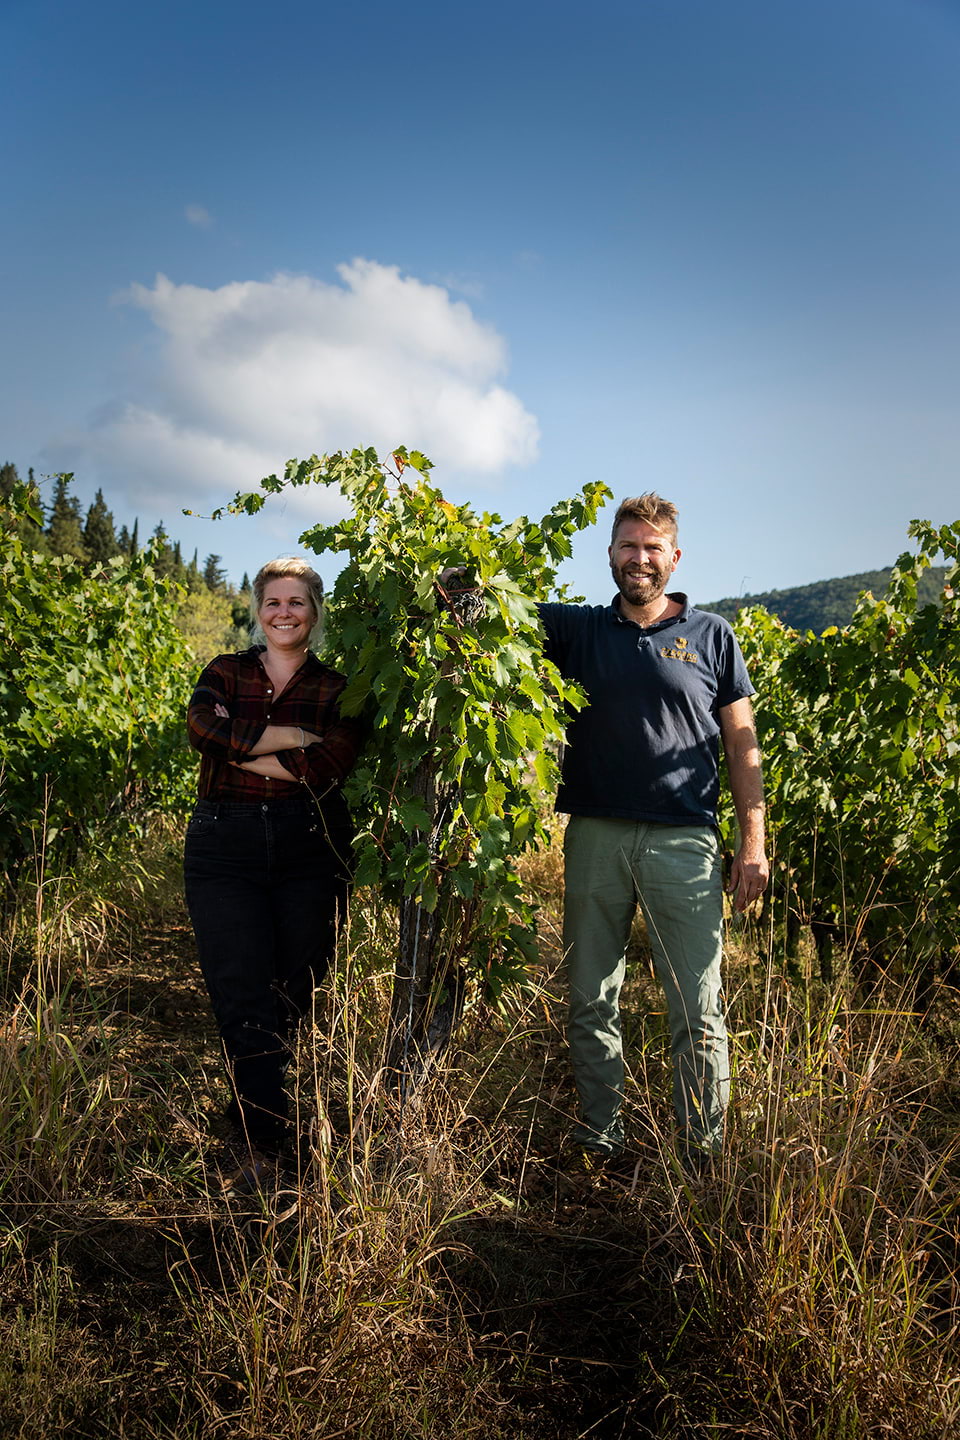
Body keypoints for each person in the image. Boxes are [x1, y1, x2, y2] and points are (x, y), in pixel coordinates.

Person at [538, 493, 768, 1165]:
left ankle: (701, 1154)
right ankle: (598, 1143)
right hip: (595, 838)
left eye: (651, 547)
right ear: (609, 554)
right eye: (627, 546)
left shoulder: (711, 636)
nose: (639, 558)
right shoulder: (577, 631)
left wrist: (753, 844)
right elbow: (484, 609)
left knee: (697, 1012)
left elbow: (743, 747)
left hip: (684, 843)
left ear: (674, 557)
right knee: (589, 1001)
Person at [184, 557, 362, 1189]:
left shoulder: (341, 687)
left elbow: (326, 771)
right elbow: (201, 727)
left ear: (315, 612)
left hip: (308, 849)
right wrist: (288, 735)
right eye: (273, 602)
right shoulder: (224, 670)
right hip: (222, 846)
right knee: (241, 992)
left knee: (294, 992)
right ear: (258, 609)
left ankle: (254, 1110)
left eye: (297, 602)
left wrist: (240, 743)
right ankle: (265, 1147)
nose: (284, 612)